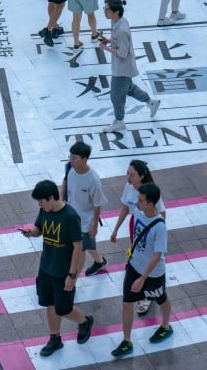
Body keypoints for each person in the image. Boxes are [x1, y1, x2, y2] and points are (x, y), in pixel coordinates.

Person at [18, 180, 95, 358]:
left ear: (52, 198)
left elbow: (78, 246)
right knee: (49, 304)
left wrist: (72, 274)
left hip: (63, 272)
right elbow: (39, 228)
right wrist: (31, 232)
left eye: (41, 201)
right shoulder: (45, 210)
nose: (39, 205)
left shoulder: (70, 216)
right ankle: (55, 338)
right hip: (46, 268)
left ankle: (84, 322)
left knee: (64, 309)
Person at [110, 182, 174, 357]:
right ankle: (126, 341)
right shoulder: (138, 213)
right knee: (127, 303)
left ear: (151, 204)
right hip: (134, 267)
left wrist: (143, 278)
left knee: (161, 299)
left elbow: (157, 255)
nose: (137, 203)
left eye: (140, 200)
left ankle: (166, 326)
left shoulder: (160, 226)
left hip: (152, 273)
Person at [109, 160, 166, 315]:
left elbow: (162, 213)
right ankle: (140, 286)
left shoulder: (151, 192)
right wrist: (115, 229)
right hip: (136, 224)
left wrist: (158, 234)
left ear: (141, 176)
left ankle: (146, 296)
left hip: (149, 226)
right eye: (127, 173)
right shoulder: (128, 187)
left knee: (149, 258)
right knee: (138, 255)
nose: (128, 177)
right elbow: (125, 208)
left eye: (132, 175)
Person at [99, 0, 161, 133]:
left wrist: (106, 48)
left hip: (122, 67)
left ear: (116, 12)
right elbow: (119, 43)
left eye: (107, 10)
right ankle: (151, 102)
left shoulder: (121, 29)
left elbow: (122, 53)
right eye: (105, 9)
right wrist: (109, 40)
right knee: (129, 88)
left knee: (116, 96)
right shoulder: (117, 22)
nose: (105, 11)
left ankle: (119, 121)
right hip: (122, 66)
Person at [59, 142, 109, 277]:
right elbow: (65, 181)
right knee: (85, 245)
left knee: (80, 249)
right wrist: (60, 200)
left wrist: (94, 226)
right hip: (70, 214)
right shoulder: (70, 167)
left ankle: (73, 276)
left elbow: (97, 204)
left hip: (85, 221)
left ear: (84, 159)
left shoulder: (93, 180)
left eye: (75, 158)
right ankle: (100, 261)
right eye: (70, 157)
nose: (71, 160)